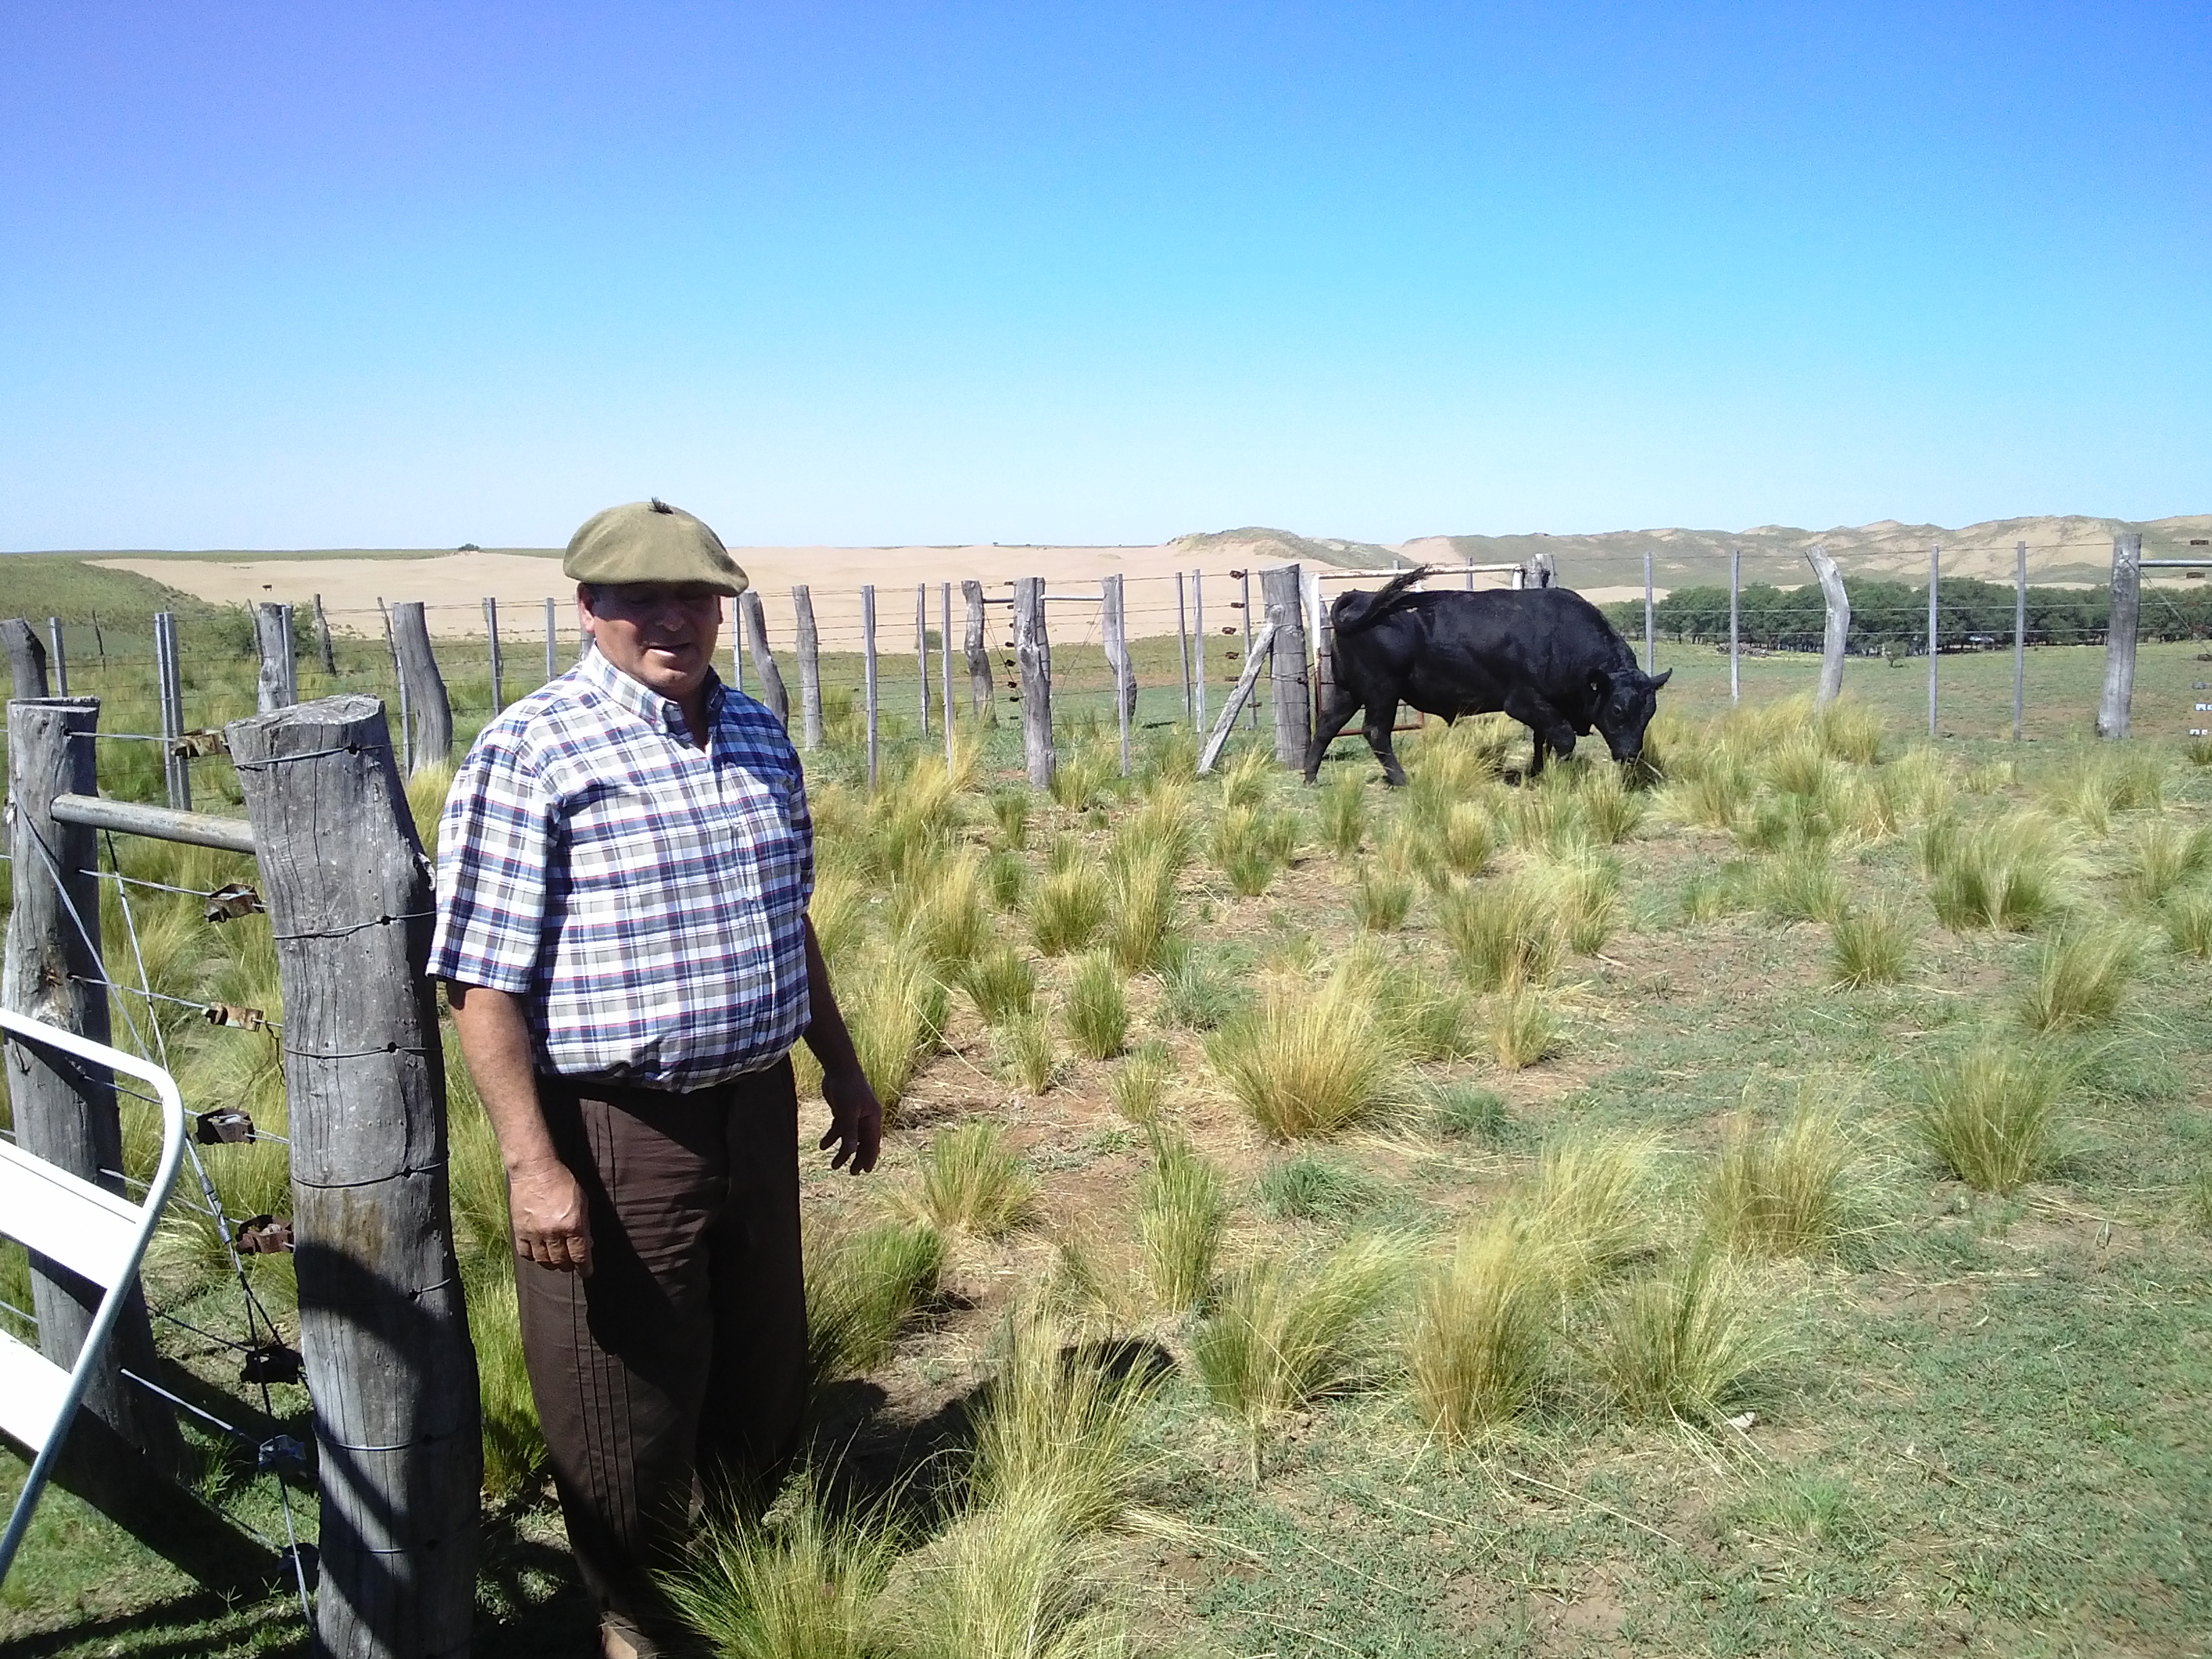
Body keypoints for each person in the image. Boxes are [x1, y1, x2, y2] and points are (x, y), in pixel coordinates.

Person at [429, 497, 882, 1659]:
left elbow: (793, 920)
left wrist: (840, 1064)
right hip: (615, 1123)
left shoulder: (758, 735)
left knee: (760, 1358)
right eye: (642, 599)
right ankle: (637, 1621)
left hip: (752, 1106)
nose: (674, 620)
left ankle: (736, 1573)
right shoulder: (534, 749)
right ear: (590, 607)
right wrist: (534, 1166)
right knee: (622, 1391)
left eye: (697, 597)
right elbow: (484, 982)